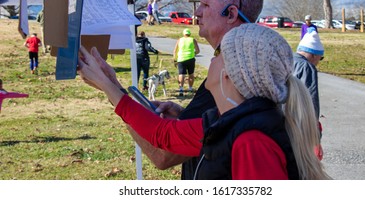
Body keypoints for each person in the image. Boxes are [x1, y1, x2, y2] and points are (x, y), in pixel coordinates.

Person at [78, 23, 331, 179]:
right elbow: (162, 135)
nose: (211, 59)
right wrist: (110, 85)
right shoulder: (224, 122)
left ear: (230, 74)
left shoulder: (252, 141)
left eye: (219, 54)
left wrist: (108, 87)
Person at [77, 0, 264, 180]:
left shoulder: (232, 80)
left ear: (230, 13)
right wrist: (184, 115)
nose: (197, 13)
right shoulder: (247, 73)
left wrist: (108, 86)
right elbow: (203, 132)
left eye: (206, 5)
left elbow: (162, 152)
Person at [294, 30, 325, 160]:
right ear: (313, 55)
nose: (319, 61)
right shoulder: (307, 67)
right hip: (299, 123)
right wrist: (315, 134)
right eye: (320, 58)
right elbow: (311, 101)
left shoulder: (288, 60)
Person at [173, 28, 200, 96]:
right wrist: (193, 53)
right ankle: (190, 88)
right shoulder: (193, 40)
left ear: (183, 34)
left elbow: (175, 51)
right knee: (191, 74)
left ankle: (181, 89)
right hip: (190, 59)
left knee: (181, 74)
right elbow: (198, 50)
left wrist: (175, 59)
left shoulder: (179, 40)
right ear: (190, 34)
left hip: (181, 59)